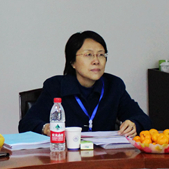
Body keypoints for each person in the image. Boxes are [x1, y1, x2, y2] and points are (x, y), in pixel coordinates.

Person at [18, 31, 151, 138]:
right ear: (72, 62)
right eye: (89, 55)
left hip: (104, 157)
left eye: (101, 55)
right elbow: (26, 124)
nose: (96, 61)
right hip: (66, 156)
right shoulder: (56, 87)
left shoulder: (114, 86)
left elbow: (143, 119)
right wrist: (45, 128)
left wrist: (134, 124)